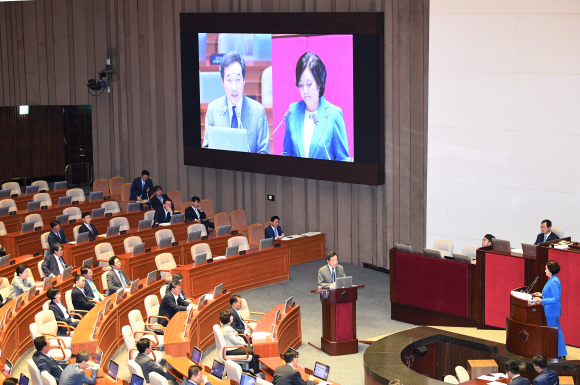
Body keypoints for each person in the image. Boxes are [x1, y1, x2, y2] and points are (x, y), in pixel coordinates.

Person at [282, 52, 349, 161]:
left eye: (309, 84)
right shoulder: (292, 111)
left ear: (319, 83)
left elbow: (343, 159)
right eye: (301, 85)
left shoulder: (334, 114)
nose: (305, 91)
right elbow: (287, 153)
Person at [203, 51, 270, 154]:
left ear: (244, 80)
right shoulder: (213, 109)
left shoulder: (258, 112)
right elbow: (206, 150)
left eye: (238, 79)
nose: (234, 87)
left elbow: (264, 153)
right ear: (222, 82)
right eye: (229, 80)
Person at [532, 260, 567, 359]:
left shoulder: (554, 281)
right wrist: (541, 295)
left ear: (551, 270)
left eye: (546, 269)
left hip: (552, 310)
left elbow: (556, 298)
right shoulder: (552, 279)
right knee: (556, 331)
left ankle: (555, 353)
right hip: (552, 310)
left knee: (552, 333)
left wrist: (541, 300)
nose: (544, 271)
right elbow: (550, 294)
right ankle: (561, 353)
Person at [220, 309, 262, 375]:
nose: (232, 317)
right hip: (232, 349)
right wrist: (243, 343)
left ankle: (251, 369)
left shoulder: (225, 326)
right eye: (231, 316)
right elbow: (237, 342)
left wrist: (242, 342)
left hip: (233, 346)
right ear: (228, 319)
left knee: (254, 348)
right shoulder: (228, 330)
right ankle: (256, 372)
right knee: (255, 351)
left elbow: (237, 337)